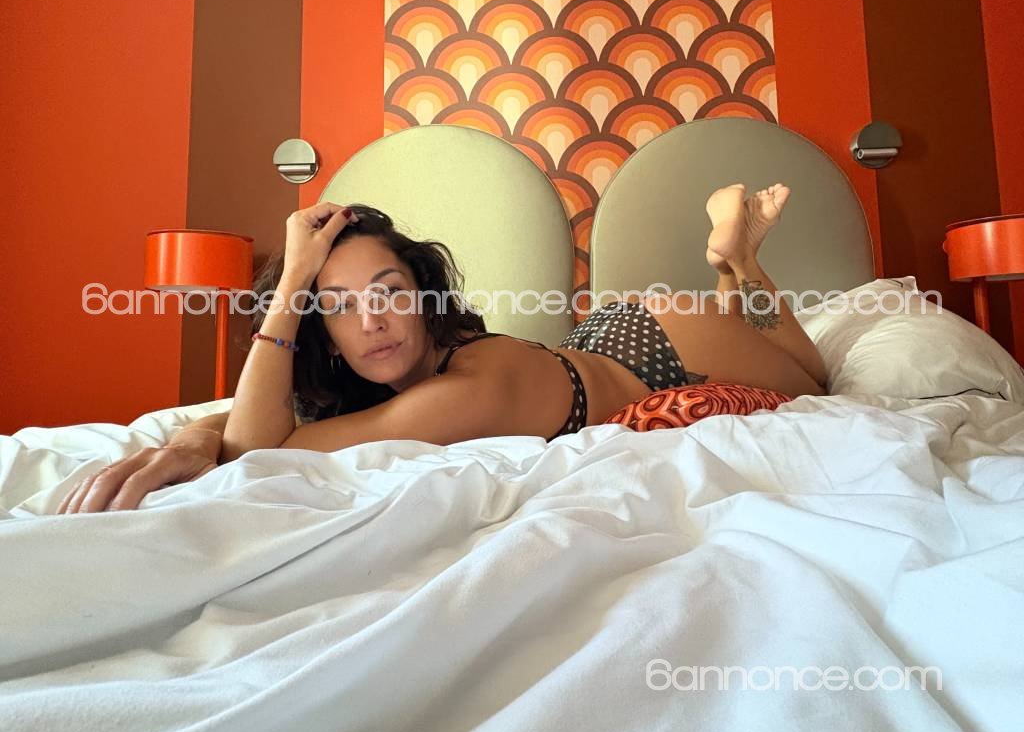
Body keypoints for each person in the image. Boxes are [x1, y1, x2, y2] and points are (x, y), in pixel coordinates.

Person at [57, 183, 827, 514]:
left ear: (423, 297)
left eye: (389, 290)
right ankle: (730, 265)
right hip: (592, 342)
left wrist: (293, 278)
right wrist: (193, 433)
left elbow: (260, 448)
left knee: (817, 383)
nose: (373, 320)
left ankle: (741, 260)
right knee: (759, 345)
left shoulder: (455, 399)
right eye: (339, 306)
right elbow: (259, 425)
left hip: (657, 343)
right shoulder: (425, 369)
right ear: (325, 334)